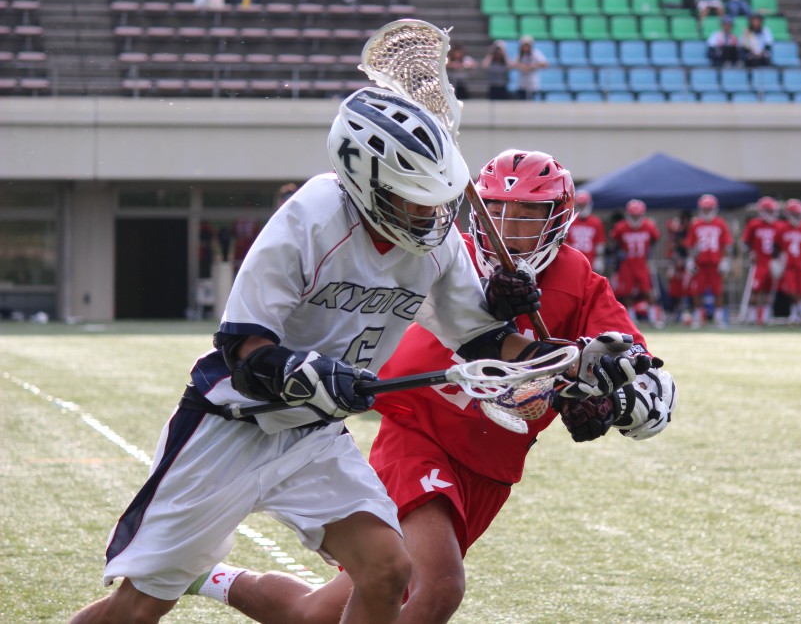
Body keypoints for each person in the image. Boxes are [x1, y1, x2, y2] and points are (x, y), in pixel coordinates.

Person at [70, 91, 636, 624]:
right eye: (414, 193)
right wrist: (306, 372)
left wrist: (569, 361)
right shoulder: (313, 215)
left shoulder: (434, 242)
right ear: (367, 183)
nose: (431, 210)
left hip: (314, 437)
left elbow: (484, 339)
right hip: (231, 428)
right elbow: (243, 346)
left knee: (389, 572)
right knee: (138, 609)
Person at [181, 150, 674, 623]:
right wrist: (489, 305)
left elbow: (643, 374)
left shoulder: (579, 280)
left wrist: (609, 402)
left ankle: (206, 576)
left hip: (491, 465)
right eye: (497, 212)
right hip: (419, 435)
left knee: (316, 614)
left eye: (526, 216)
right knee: (440, 587)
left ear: (558, 220)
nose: (507, 230)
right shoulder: (442, 249)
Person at [611, 199, 664, 327]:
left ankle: (654, 316)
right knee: (627, 292)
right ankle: (631, 318)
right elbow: (614, 242)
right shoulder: (621, 227)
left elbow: (655, 239)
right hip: (627, 264)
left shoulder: (649, 226)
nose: (635, 218)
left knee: (647, 290)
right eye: (633, 215)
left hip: (641, 263)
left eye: (637, 215)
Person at [685, 193, 733, 328]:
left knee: (718, 291)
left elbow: (727, 244)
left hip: (715, 264)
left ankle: (719, 318)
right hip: (700, 264)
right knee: (697, 292)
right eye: (704, 209)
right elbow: (690, 245)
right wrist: (690, 259)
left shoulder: (720, 223)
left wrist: (725, 260)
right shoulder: (696, 224)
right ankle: (698, 318)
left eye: (708, 209)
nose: (706, 212)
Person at [740, 196, 781, 325]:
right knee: (755, 289)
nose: (771, 213)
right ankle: (752, 315)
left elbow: (782, 245)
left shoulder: (778, 225)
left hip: (772, 262)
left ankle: (765, 315)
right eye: (769, 211)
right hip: (759, 262)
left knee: (769, 291)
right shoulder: (754, 224)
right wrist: (750, 253)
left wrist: (779, 259)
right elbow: (745, 243)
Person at [774, 199, 801, 326]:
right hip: (789, 265)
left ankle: (797, 314)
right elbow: (776, 247)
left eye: (798, 214)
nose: (797, 217)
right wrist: (777, 260)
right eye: (795, 214)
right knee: (791, 291)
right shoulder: (782, 229)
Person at [567, 189, 607, 274]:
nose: (582, 208)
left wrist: (599, 258)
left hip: (590, 259)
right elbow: (566, 242)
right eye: (580, 205)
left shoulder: (596, 222)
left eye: (583, 205)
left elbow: (599, 242)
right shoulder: (570, 221)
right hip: (573, 259)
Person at [512, 35, 549, 101]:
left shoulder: (536, 53)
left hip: (533, 84)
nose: (526, 47)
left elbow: (545, 64)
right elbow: (512, 64)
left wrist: (531, 66)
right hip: (522, 84)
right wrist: (521, 66)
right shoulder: (520, 55)